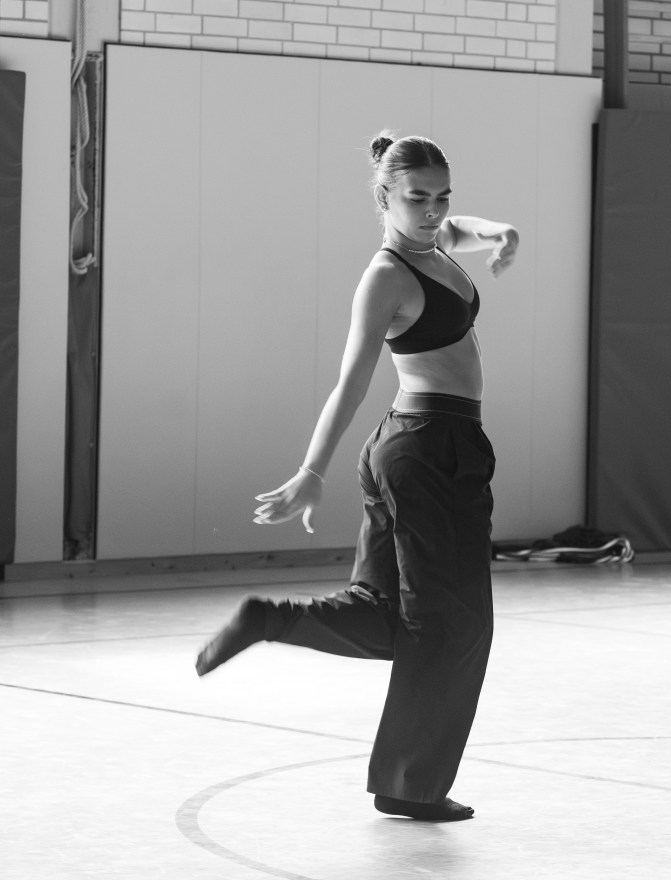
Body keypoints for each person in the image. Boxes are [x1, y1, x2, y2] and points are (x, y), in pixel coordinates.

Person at [195, 132, 519, 822]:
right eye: (417, 199)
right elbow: (351, 380)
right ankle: (409, 786)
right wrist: (311, 470)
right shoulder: (387, 277)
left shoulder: (430, 245)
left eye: (442, 197)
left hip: (425, 448)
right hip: (429, 451)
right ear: (384, 198)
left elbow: (455, 232)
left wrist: (498, 233)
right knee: (452, 625)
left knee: (388, 612)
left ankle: (269, 619)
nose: (433, 211)